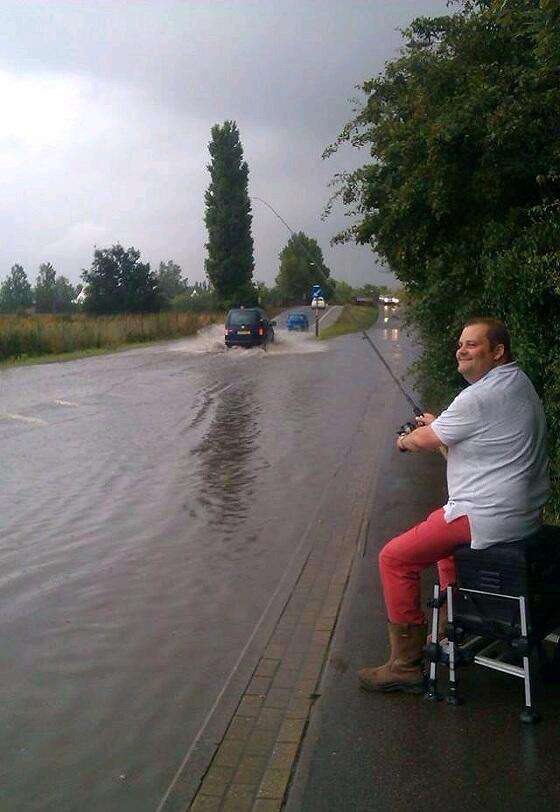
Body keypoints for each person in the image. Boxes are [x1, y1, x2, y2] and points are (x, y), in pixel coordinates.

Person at [359, 317, 550, 694]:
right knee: (447, 556)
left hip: (486, 515)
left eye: (473, 345)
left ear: (498, 352)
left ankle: (405, 664)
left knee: (394, 557)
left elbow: (424, 442)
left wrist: (407, 440)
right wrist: (438, 425)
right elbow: (464, 441)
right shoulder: (517, 383)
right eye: (461, 344)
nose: (462, 350)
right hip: (521, 515)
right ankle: (453, 631)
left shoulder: (477, 397)